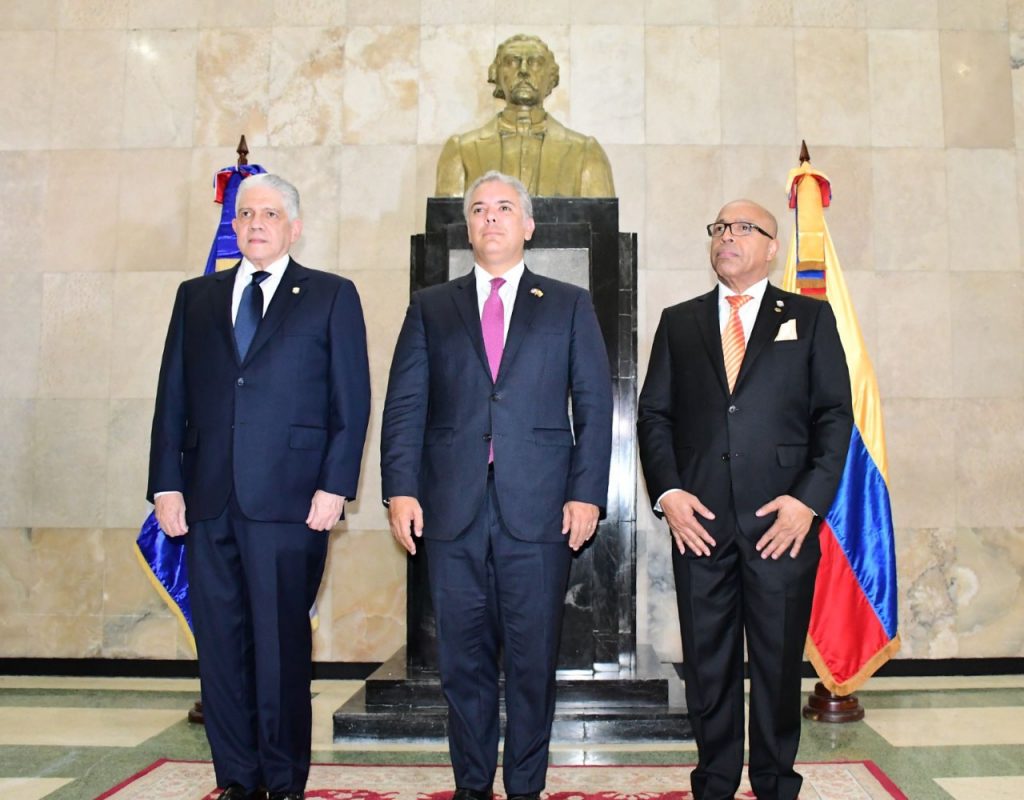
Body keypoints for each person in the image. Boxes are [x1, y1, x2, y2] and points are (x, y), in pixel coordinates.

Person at [381, 171, 613, 800]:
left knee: (533, 663)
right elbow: (404, 406)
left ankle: (527, 787)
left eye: (504, 208)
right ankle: (472, 786)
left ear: (527, 225)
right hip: (448, 510)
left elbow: (595, 405)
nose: (491, 217)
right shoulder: (431, 306)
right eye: (479, 208)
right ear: (468, 226)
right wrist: (400, 489)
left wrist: (587, 492)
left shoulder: (567, 304)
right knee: (462, 665)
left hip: (540, 510)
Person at [147, 173, 371, 800]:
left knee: (279, 647)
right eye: (245, 214)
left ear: (293, 227)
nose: (255, 224)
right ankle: (237, 779)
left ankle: (283, 778)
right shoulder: (196, 296)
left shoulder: (330, 295)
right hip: (208, 498)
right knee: (220, 648)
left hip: (291, 501)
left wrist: (335, 486)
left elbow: (351, 402)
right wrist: (166, 484)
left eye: (269, 214)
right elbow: (171, 396)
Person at [636, 200, 853, 800]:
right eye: (720, 228)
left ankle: (777, 783)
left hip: (782, 522)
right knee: (708, 665)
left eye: (743, 228)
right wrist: (669, 493)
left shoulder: (809, 317)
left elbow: (835, 416)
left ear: (772, 247)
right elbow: (654, 416)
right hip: (699, 522)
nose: (727, 237)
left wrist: (807, 502)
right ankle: (714, 782)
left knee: (779, 666)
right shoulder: (680, 321)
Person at [435, 34, 615, 198]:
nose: (523, 70)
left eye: (535, 63)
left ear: (551, 77)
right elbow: (446, 219)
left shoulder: (585, 152)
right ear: (496, 74)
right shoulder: (462, 150)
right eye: (512, 62)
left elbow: (601, 221)